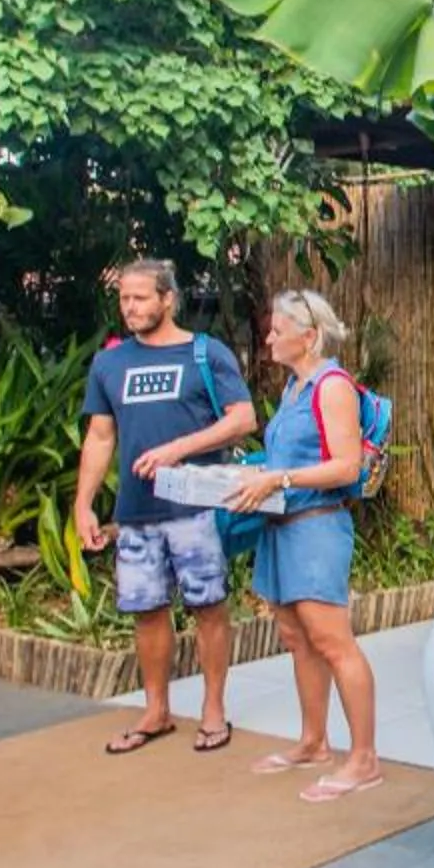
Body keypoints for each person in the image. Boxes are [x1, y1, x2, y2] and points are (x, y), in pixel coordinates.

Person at [74, 260, 259, 755]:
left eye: (139, 298)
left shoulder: (205, 353)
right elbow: (99, 435)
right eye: (123, 299)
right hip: (135, 513)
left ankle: (213, 709)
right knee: (147, 611)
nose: (129, 307)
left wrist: (180, 448)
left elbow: (243, 418)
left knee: (208, 607)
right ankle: (156, 711)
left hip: (196, 509)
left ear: (167, 299)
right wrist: (84, 505)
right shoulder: (109, 364)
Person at [225, 290, 384, 801]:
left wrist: (279, 479)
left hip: (315, 526)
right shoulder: (296, 388)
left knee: (334, 642)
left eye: (277, 330)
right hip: (282, 529)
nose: (268, 337)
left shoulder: (331, 386)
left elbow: (347, 466)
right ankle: (313, 742)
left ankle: (364, 760)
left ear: (308, 336)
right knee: (296, 637)